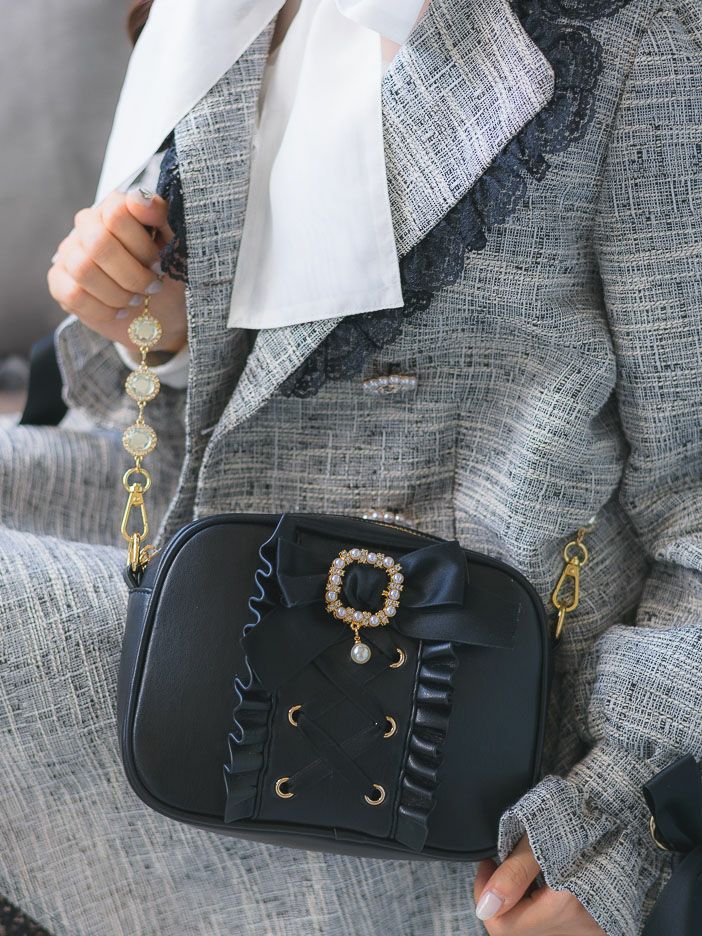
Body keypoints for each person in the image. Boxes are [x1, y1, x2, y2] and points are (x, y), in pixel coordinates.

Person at [1, 0, 701, 933]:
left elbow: (696, 498)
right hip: (200, 564)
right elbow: (245, 394)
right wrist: (160, 326)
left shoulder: (641, 39)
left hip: (436, 727)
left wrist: (616, 830)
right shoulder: (218, 14)